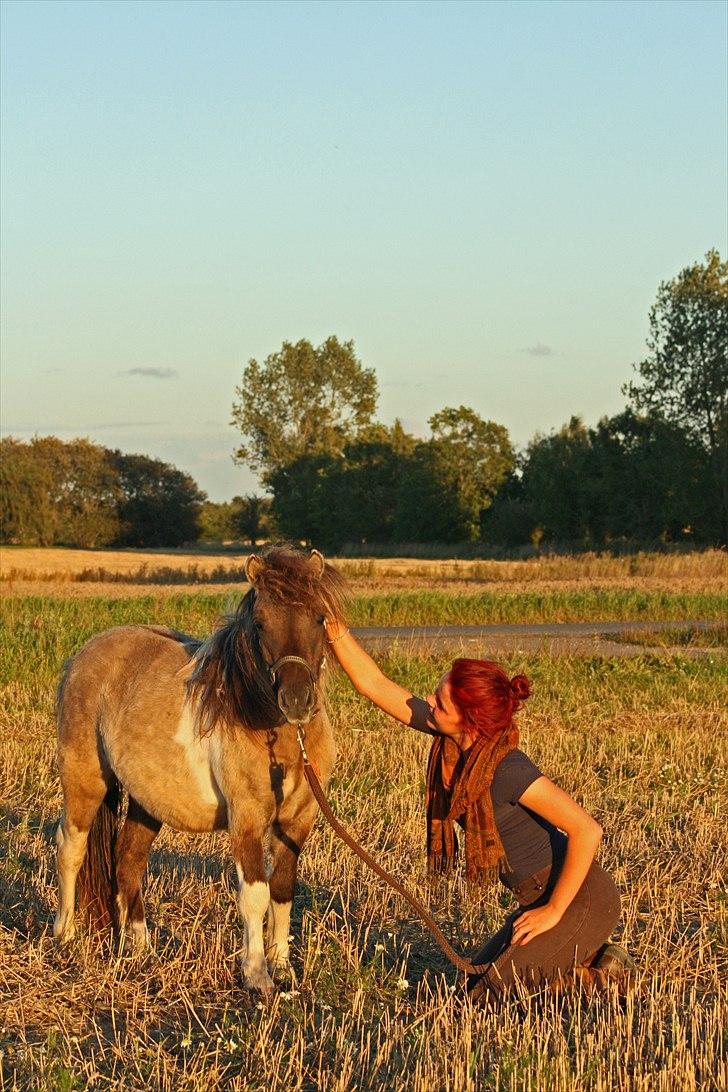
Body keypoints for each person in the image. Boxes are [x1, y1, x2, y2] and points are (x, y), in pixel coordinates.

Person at [324, 620, 633, 1000]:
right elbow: (375, 684)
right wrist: (334, 630)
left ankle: (608, 976)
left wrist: (554, 910)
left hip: (579, 898)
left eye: (440, 701)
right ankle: (586, 957)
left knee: (486, 997)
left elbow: (587, 830)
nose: (430, 701)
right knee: (472, 986)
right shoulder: (452, 741)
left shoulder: (506, 768)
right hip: (536, 895)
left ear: (468, 720)